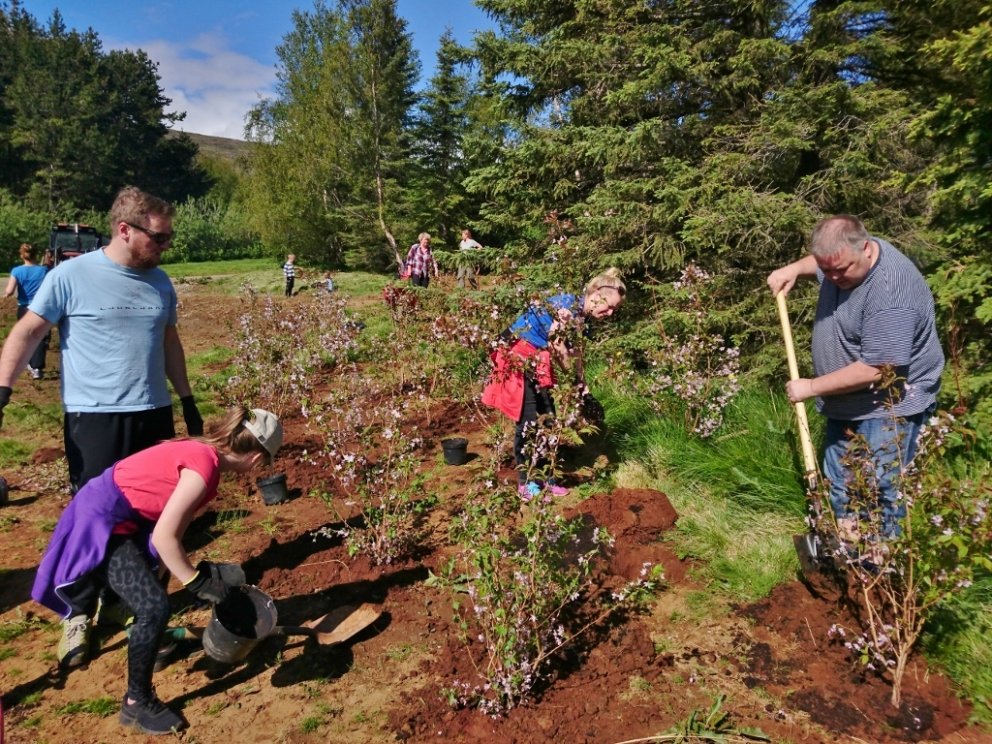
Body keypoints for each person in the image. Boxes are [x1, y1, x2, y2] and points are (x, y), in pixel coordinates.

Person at [0, 186, 203, 665]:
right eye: (159, 238)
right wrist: (4, 386)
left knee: (149, 518)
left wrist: (188, 400)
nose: (165, 247)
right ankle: (77, 611)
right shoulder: (71, 276)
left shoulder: (161, 282)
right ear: (125, 230)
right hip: (94, 418)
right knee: (94, 523)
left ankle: (129, 606)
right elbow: (28, 330)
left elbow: (170, 343)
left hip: (152, 414)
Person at [31, 406, 283, 735]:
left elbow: (171, 535)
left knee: (152, 594)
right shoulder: (204, 469)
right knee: (154, 607)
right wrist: (196, 583)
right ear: (255, 459)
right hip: (102, 523)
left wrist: (169, 574)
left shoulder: (204, 453)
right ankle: (137, 702)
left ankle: (153, 644)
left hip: (123, 518)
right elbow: (165, 538)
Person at [767, 214, 944, 545]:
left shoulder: (890, 293)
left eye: (840, 270)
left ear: (865, 248)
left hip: (888, 407)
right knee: (843, 483)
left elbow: (877, 368)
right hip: (847, 402)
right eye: (826, 269)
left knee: (881, 491)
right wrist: (794, 269)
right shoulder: (843, 259)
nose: (831, 277)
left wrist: (810, 387)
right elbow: (824, 263)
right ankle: (850, 556)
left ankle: (882, 569)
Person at [482, 268, 626, 496]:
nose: (609, 313)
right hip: (519, 355)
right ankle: (525, 481)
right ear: (596, 293)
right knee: (528, 421)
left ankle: (547, 477)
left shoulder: (582, 317)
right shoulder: (566, 305)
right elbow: (558, 345)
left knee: (549, 419)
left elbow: (576, 352)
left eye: (614, 310)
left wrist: (582, 385)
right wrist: (572, 378)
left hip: (538, 360)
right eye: (608, 306)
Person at [4, 243, 50, 379]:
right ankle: (37, 367)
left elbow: (10, 291)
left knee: (25, 337)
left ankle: (27, 362)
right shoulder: (44, 271)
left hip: (24, 308)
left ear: (21, 255)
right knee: (40, 337)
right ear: (36, 255)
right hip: (41, 309)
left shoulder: (17, 271)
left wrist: (6, 294)